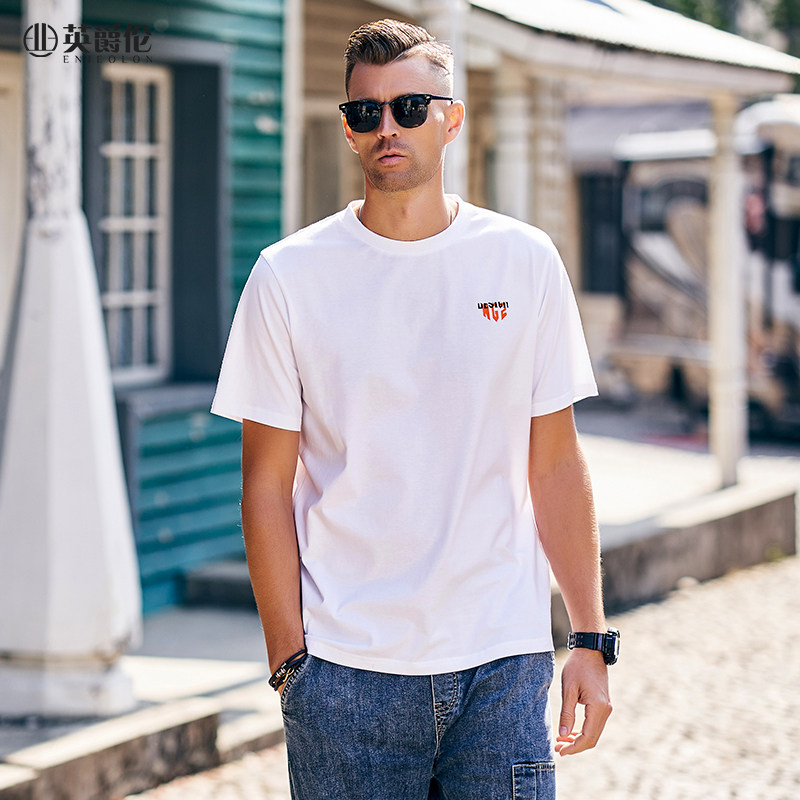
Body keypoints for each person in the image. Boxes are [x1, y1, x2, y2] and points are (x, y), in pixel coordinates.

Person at [211, 18, 615, 800]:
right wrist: (290, 664)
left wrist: (592, 638)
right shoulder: (288, 277)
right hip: (346, 674)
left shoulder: (524, 260)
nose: (387, 127)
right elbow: (265, 486)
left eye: (409, 107)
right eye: (367, 112)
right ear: (348, 129)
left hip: (501, 664)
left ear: (451, 119)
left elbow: (556, 463)